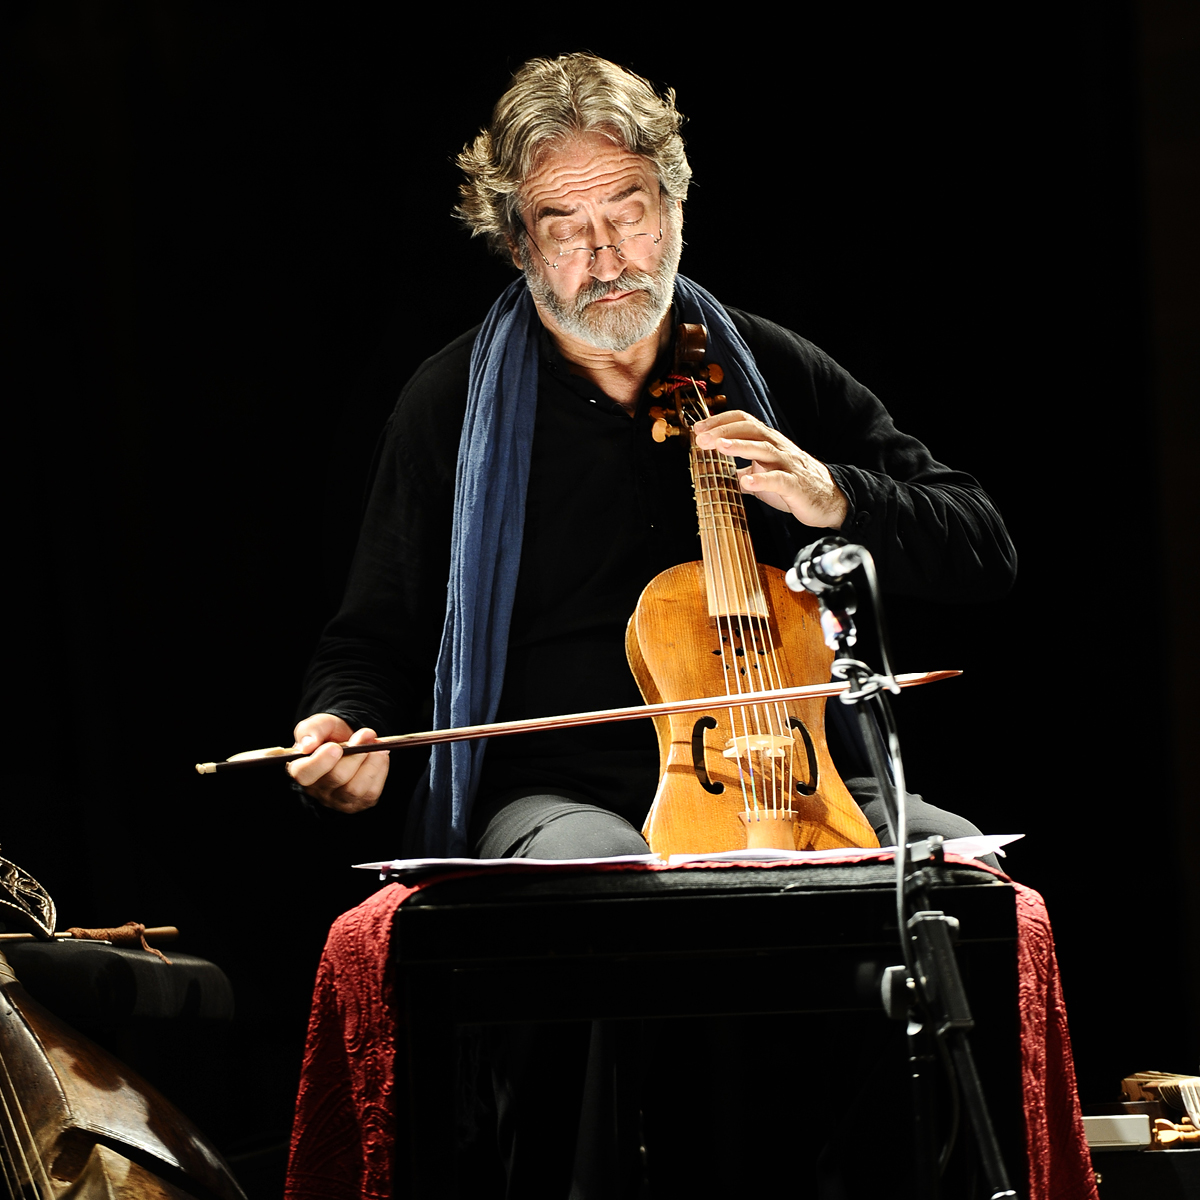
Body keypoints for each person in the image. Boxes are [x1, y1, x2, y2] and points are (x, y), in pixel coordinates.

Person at [287, 53, 1017, 1196]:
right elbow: (370, 636)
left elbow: (983, 544)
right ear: (517, 243)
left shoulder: (767, 367)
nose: (607, 255)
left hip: (786, 766)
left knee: (965, 887)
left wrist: (835, 494)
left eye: (629, 211)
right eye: (564, 226)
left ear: (673, 203)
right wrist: (344, 725)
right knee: (607, 879)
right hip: (561, 789)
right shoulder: (449, 403)